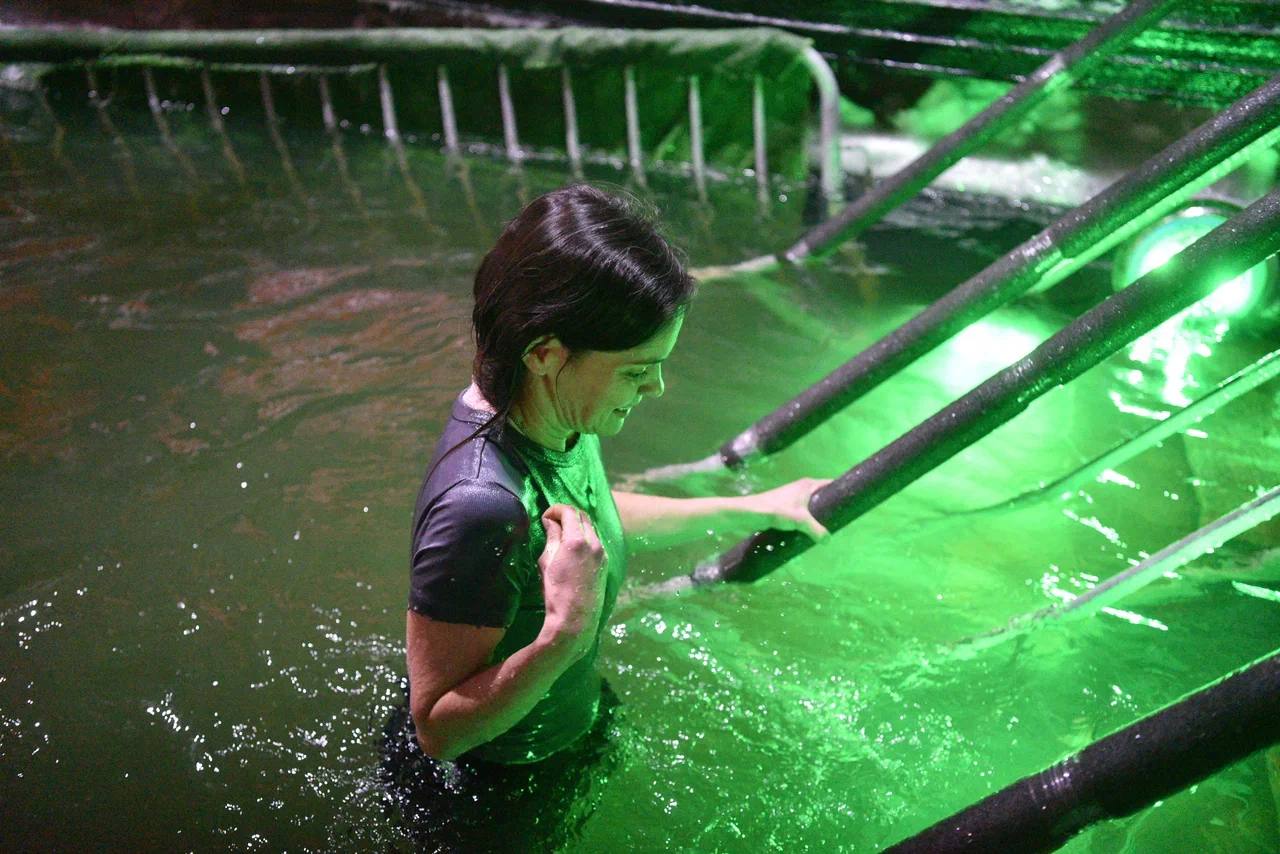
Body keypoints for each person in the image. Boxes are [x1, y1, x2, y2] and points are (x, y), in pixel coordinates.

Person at [385, 183, 828, 849]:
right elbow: (438, 730)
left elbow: (588, 517)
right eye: (636, 371)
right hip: (492, 795)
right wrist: (565, 634)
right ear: (545, 353)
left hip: (560, 731)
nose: (657, 388)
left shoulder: (553, 414)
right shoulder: (480, 506)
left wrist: (748, 508)